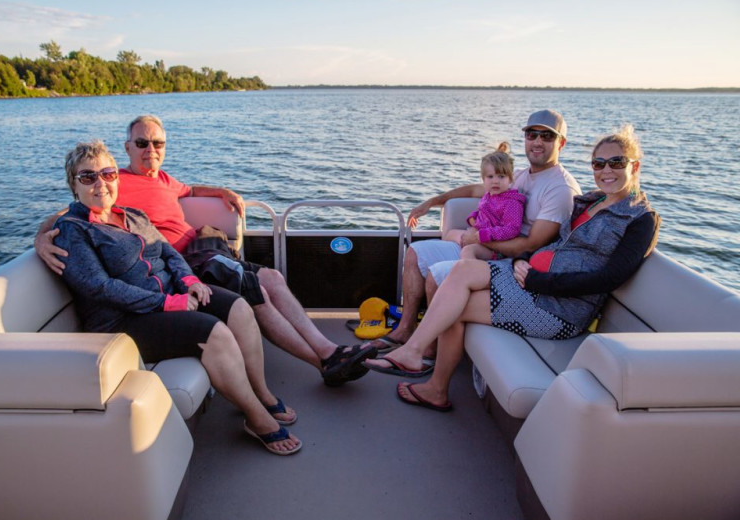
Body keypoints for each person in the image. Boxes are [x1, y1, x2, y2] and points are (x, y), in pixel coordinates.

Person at [35, 115, 375, 386]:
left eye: (157, 143)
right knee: (257, 291)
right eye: (142, 143)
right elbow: (72, 212)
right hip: (187, 263)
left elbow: (190, 188)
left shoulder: (162, 179)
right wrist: (40, 236)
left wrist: (221, 190)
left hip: (205, 245)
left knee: (271, 276)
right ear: (127, 147)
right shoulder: (111, 182)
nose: (150, 149)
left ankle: (328, 348)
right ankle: (325, 360)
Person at [366, 124, 660, 411]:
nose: (606, 170)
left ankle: (430, 378)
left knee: (455, 308)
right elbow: (552, 243)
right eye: (599, 163)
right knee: (460, 272)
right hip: (529, 278)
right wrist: (523, 260)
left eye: (616, 162)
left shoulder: (640, 218)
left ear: (634, 167)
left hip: (560, 308)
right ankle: (417, 355)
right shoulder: (589, 202)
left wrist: (537, 281)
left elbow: (609, 278)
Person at [54, 140, 302, 454]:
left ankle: (262, 394)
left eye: (108, 173)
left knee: (239, 306)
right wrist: (168, 303)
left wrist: (188, 280)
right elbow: (100, 288)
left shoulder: (132, 216)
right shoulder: (73, 230)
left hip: (168, 299)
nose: (101, 183)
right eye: (88, 177)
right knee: (214, 333)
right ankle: (257, 419)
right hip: (124, 323)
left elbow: (168, 251)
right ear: (73, 186)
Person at [365, 109, 581, 353]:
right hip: (486, 245)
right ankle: (405, 329)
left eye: (547, 136)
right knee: (416, 252)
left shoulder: (560, 188)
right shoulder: (519, 176)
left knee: (438, 273)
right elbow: (474, 191)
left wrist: (475, 238)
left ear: (561, 143)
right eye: (532, 134)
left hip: (514, 264)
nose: (537, 141)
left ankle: (427, 351)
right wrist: (433, 202)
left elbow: (531, 245)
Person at [447, 142, 526, 261]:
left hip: (496, 249)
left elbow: (512, 229)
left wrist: (487, 234)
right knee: (450, 234)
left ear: (510, 179)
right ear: (483, 179)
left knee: (468, 250)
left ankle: (468, 273)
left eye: (501, 176)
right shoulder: (489, 195)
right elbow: (484, 212)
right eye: (490, 177)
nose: (495, 181)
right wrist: (474, 217)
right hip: (479, 236)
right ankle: (451, 258)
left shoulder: (512, 203)